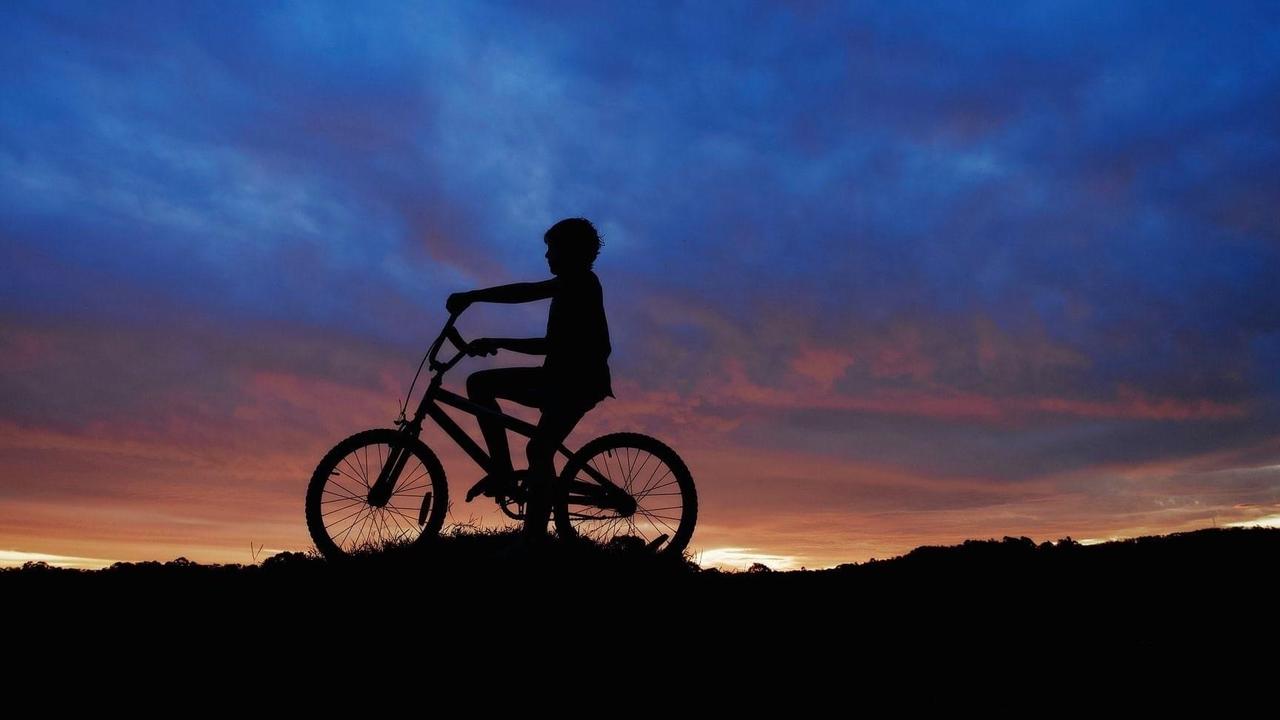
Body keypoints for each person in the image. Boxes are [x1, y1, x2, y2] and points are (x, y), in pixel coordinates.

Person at [445, 217, 614, 540]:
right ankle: (514, 495)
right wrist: (496, 339)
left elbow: (526, 295)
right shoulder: (569, 287)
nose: (547, 256)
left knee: (533, 444)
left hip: (576, 382)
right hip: (562, 378)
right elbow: (549, 341)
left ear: (571, 251)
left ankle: (516, 502)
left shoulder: (580, 283)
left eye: (552, 249)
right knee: (535, 444)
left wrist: (474, 297)